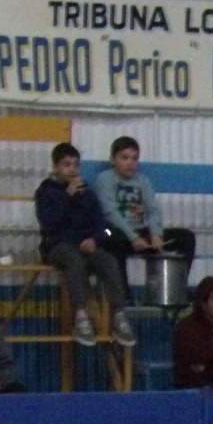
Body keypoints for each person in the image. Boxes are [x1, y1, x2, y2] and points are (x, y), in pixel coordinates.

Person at [34, 142, 133, 348]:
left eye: (76, 165)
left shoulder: (88, 194)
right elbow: (48, 224)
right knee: (73, 260)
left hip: (86, 246)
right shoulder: (46, 192)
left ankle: (119, 315)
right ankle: (80, 316)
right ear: (55, 167)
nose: (72, 169)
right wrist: (66, 196)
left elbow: (105, 227)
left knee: (107, 260)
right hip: (57, 245)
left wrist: (96, 239)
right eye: (66, 165)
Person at [93, 135, 197, 293]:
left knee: (186, 238)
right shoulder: (104, 179)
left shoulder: (143, 181)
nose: (130, 163)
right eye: (124, 158)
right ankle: (123, 295)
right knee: (109, 237)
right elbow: (110, 213)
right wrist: (133, 237)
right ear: (112, 160)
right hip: (114, 232)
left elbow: (153, 209)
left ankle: (177, 290)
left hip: (141, 233)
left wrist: (156, 234)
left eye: (134, 158)